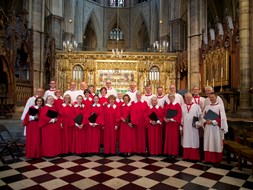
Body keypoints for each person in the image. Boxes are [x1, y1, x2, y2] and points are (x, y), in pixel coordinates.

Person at [202, 92, 228, 165]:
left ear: (216, 97)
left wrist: (213, 121)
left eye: (213, 97)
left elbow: (222, 118)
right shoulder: (207, 106)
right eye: (210, 97)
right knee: (208, 142)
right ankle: (208, 159)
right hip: (208, 127)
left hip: (216, 128)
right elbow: (202, 116)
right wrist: (205, 121)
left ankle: (216, 160)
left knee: (215, 142)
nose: (211, 99)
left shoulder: (220, 106)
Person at [181, 93, 202, 161]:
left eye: (189, 97)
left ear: (192, 97)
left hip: (194, 128)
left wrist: (199, 123)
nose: (188, 99)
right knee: (186, 141)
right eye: (187, 97)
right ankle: (186, 156)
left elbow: (201, 116)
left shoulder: (196, 106)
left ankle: (194, 157)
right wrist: (180, 128)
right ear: (185, 98)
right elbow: (180, 118)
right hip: (185, 127)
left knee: (194, 141)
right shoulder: (182, 106)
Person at [164, 94, 182, 159]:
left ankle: (174, 153)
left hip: (174, 124)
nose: (171, 98)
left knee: (174, 139)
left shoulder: (177, 105)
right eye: (169, 97)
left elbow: (179, 114)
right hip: (168, 125)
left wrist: (171, 119)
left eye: (172, 97)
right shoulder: (167, 105)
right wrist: (164, 118)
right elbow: (164, 113)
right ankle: (168, 152)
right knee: (168, 138)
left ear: (174, 97)